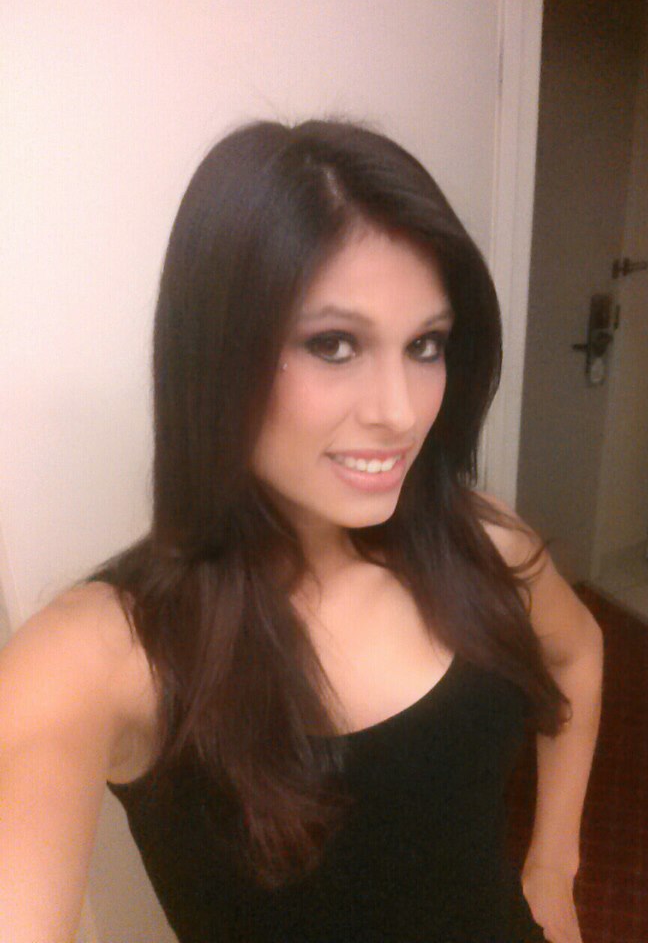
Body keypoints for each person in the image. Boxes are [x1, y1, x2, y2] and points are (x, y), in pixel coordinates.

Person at [0, 118, 603, 943]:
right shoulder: (103, 653)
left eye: (426, 344)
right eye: (334, 343)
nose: (400, 412)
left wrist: (553, 869)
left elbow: (579, 654)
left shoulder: (480, 543)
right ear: (217, 353)